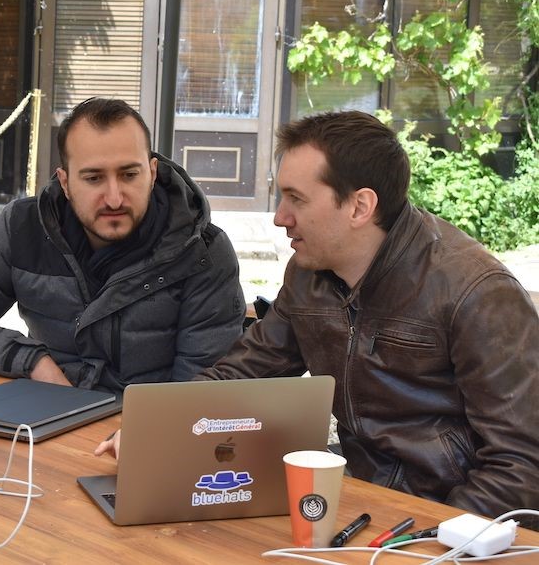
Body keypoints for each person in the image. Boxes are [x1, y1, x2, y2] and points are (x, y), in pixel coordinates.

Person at [96, 110, 539, 520]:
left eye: (296, 199)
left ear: (360, 207)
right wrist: (159, 431)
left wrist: (439, 541)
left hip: (447, 518)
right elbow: (246, 371)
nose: (279, 218)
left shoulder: (476, 292)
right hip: (355, 497)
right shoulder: (310, 274)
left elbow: (521, 463)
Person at [0, 97, 245, 392]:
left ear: (152, 172)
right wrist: (30, 360)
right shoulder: (25, 226)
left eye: (129, 175)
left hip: (140, 437)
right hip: (48, 419)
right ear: (66, 182)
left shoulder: (202, 251)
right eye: (93, 178)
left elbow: (199, 399)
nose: (114, 198)